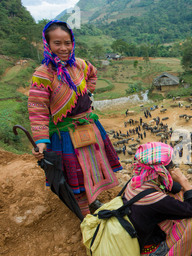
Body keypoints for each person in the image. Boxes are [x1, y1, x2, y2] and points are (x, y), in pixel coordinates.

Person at [28, 20, 122, 216]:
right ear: (47, 44)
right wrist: (41, 142)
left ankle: (91, 198)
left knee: (92, 165)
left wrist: (88, 91)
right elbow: (38, 109)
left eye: (68, 42)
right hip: (65, 133)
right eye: (57, 43)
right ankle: (83, 210)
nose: (64, 48)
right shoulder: (43, 75)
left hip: (88, 125)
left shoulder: (80, 64)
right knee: (76, 171)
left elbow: (93, 73)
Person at [123, 142, 192, 256]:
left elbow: (171, 186)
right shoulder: (154, 198)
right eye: (171, 166)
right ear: (162, 170)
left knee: (178, 195)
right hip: (148, 255)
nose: (174, 168)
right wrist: (185, 181)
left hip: (141, 237)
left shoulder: (138, 181)